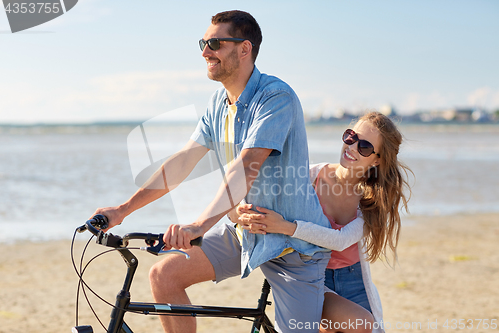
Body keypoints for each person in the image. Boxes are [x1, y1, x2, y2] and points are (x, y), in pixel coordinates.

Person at [92, 10, 333, 333]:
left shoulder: (276, 97)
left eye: (215, 43)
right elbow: (182, 162)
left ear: (244, 49)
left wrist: (198, 225)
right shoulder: (218, 103)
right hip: (243, 232)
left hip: (293, 246)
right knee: (164, 276)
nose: (205, 51)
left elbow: (246, 166)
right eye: (203, 43)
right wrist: (122, 209)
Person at [235, 112, 413, 333]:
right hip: (314, 275)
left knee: (368, 327)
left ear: (377, 160)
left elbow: (340, 240)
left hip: (354, 280)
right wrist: (242, 207)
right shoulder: (310, 177)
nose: (352, 147)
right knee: (360, 324)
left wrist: (285, 227)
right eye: (350, 137)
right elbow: (270, 191)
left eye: (364, 147)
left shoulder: (373, 201)